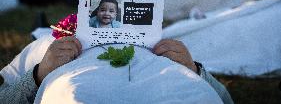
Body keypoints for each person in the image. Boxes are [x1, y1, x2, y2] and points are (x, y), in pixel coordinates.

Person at [0, 36, 233, 104]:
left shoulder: (161, 42)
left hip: (169, 84)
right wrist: (38, 75)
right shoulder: (51, 42)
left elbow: (223, 99)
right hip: (80, 88)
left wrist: (194, 70)